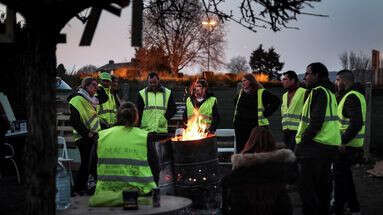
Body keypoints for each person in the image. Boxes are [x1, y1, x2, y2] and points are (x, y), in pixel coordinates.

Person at [89, 102, 157, 207]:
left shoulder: (101, 137)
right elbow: (155, 167)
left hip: (106, 196)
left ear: (117, 117)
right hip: (140, 196)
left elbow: (92, 167)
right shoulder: (144, 137)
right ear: (136, 117)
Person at [295, 62, 341, 215]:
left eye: (308, 73)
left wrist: (302, 144)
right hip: (328, 146)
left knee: (306, 188)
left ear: (317, 75)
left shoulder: (318, 92)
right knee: (323, 187)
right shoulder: (330, 92)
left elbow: (316, 122)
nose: (305, 76)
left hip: (315, 147)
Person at [222, 127, 297, 215]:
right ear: (272, 144)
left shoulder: (236, 175)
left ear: (250, 144)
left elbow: (227, 205)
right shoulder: (283, 170)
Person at [333, 70, 365, 215]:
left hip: (347, 146)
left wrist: (342, 141)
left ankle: (339, 208)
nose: (336, 83)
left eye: (338, 80)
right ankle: (353, 208)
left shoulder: (351, 97)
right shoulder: (354, 95)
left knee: (341, 179)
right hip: (351, 145)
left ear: (344, 81)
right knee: (345, 178)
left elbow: (356, 123)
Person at [68, 77, 105, 195]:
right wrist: (86, 133)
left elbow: (104, 97)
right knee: (86, 164)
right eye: (93, 86)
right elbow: (74, 121)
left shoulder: (91, 99)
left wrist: (99, 88)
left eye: (96, 86)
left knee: (93, 163)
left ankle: (100, 184)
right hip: (84, 138)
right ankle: (78, 189)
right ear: (86, 86)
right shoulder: (77, 99)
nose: (96, 88)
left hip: (92, 136)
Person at [233, 73, 280, 153]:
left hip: (255, 128)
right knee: (241, 151)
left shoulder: (261, 92)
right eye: (242, 81)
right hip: (240, 128)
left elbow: (276, 101)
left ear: (251, 81)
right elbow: (236, 106)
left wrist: (267, 113)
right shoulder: (240, 94)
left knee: (256, 150)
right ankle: (242, 165)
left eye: (245, 80)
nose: (243, 83)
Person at [281, 70, 307, 151]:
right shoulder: (284, 95)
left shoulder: (304, 92)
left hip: (298, 131)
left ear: (292, 80)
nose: (282, 81)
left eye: (285, 79)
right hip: (286, 131)